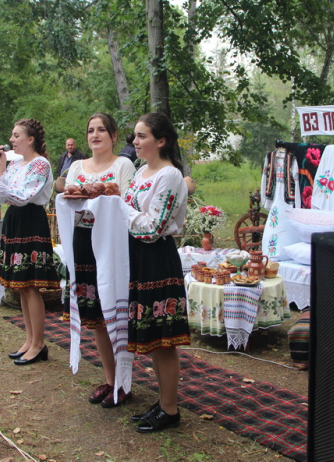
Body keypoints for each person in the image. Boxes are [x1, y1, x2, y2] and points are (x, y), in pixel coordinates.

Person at [61, 113, 136, 408]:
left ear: (114, 135)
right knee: (95, 317)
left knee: (114, 315)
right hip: (83, 242)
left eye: (102, 130)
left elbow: (128, 205)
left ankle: (125, 382)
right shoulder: (77, 167)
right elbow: (69, 200)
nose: (95, 135)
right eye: (91, 130)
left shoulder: (123, 165)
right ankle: (109, 378)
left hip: (112, 244)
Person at [121, 113, 190, 433]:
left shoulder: (170, 175)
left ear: (160, 141)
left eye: (141, 136)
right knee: (152, 335)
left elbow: (152, 228)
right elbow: (132, 213)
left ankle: (170, 409)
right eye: (134, 136)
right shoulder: (139, 172)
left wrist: (118, 206)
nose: (134, 141)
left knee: (164, 340)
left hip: (158, 257)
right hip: (139, 258)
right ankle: (163, 400)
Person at [0, 118, 59, 366]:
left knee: (30, 283)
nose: (11, 140)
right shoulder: (16, 164)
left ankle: (39, 343)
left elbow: (23, 196)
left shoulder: (40, 165)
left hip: (31, 220)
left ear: (30, 139)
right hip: (15, 220)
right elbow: (0, 194)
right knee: (20, 284)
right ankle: (29, 339)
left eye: (16, 135)